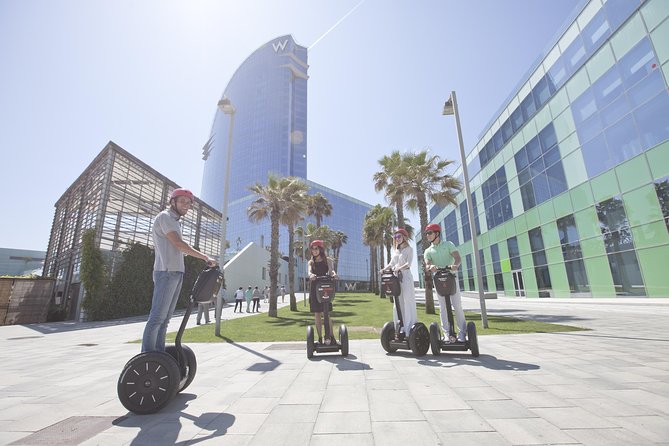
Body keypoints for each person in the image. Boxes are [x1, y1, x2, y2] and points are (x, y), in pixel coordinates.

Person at [141, 188, 217, 352]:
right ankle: (146, 357)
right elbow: (178, 244)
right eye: (182, 201)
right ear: (173, 201)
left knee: (165, 319)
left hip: (175, 273)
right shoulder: (165, 217)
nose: (186, 205)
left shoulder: (174, 221)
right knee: (157, 318)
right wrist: (205, 257)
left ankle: (159, 356)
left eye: (189, 203)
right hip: (166, 273)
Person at [422, 223, 465, 343]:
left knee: (457, 305)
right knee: (442, 307)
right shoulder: (428, 251)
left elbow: (457, 257)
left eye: (430, 233)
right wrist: (431, 266)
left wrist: (455, 265)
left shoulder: (448, 244)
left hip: (451, 277)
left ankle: (462, 333)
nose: (427, 236)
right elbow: (427, 264)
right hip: (439, 280)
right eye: (426, 234)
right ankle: (446, 334)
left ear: (437, 233)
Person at [381, 228, 416, 341]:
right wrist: (383, 269)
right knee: (397, 303)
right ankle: (399, 328)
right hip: (396, 278)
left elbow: (408, 264)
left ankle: (409, 329)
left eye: (399, 236)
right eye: (395, 237)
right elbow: (391, 263)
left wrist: (398, 268)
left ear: (405, 237)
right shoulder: (396, 251)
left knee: (407, 301)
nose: (397, 239)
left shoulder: (409, 249)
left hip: (405, 277)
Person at [307, 240, 337, 344]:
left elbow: (331, 270)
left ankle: (331, 337)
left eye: (316, 248)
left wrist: (334, 274)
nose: (314, 251)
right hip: (315, 288)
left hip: (325, 288)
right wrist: (311, 275)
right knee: (317, 314)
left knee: (327, 314)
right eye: (312, 249)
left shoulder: (327, 260)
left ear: (320, 249)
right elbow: (309, 271)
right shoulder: (311, 262)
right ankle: (320, 338)